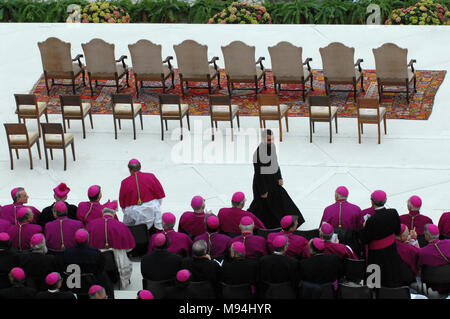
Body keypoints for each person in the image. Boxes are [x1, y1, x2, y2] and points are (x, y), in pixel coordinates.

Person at [248, 129, 304, 229]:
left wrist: (279, 177)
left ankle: (291, 221)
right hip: (262, 184)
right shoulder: (257, 154)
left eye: (272, 139)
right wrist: (263, 191)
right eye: (269, 140)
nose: (272, 142)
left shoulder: (272, 147)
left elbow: (275, 163)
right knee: (262, 206)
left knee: (282, 201)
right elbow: (258, 174)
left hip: (273, 181)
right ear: (262, 139)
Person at [87, 200, 136, 289]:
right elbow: (130, 247)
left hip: (98, 262)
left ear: (102, 213)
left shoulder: (92, 224)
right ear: (113, 214)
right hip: (117, 263)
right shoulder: (121, 226)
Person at [360, 190, 403, 288]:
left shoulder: (371, 220)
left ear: (372, 202)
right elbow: (397, 230)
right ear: (385, 200)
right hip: (391, 251)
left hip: (376, 255)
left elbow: (364, 240)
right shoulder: (393, 212)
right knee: (391, 276)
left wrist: (364, 227)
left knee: (375, 283)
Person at [63, 229, 114, 299]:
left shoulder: (67, 252)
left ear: (75, 240)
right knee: (107, 281)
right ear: (87, 240)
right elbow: (101, 267)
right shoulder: (95, 252)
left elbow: (64, 268)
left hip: (74, 285)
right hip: (92, 284)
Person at [119, 159, 166, 233]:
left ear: (129, 169)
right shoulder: (151, 176)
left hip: (134, 221)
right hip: (152, 215)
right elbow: (159, 196)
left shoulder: (124, 182)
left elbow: (123, 205)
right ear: (140, 167)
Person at [418, 224, 450, 294]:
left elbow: (419, 266)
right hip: (448, 280)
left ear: (427, 235)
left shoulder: (422, 251)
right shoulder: (448, 243)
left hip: (432, 283)